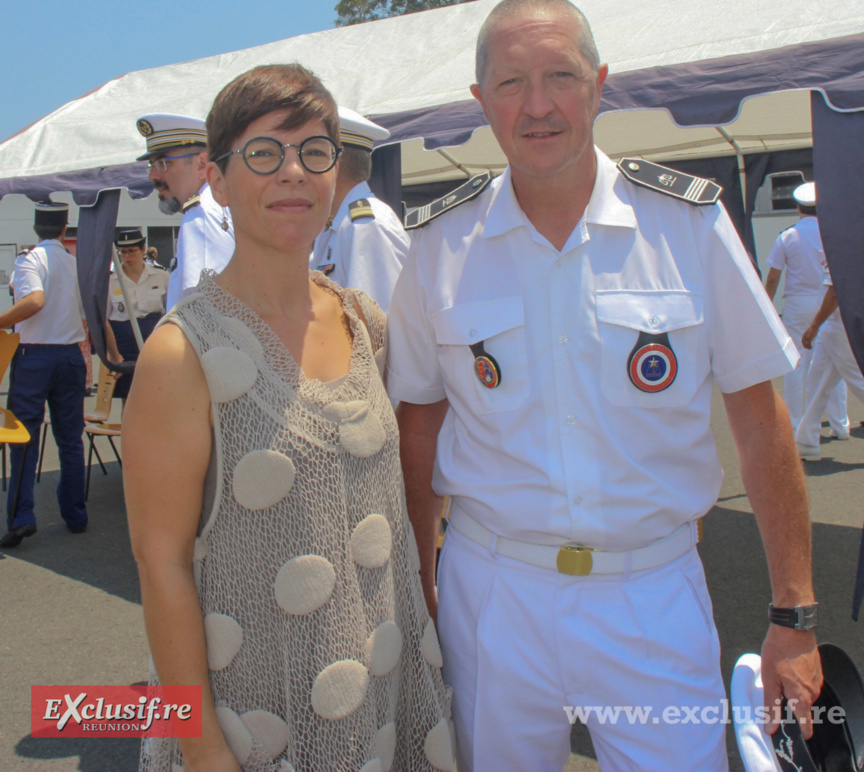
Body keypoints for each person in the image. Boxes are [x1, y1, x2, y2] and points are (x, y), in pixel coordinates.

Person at [386, 1, 821, 770]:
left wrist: (794, 612)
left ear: (601, 86)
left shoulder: (687, 225)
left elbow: (760, 420)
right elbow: (418, 423)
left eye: (561, 76)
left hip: (648, 596)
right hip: (493, 594)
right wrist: (420, 581)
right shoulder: (440, 245)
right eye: (512, 82)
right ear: (481, 99)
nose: (539, 103)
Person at [124, 64, 453, 772]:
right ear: (216, 177)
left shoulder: (366, 324)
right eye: (265, 153)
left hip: (384, 696)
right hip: (256, 716)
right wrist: (203, 747)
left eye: (315, 152)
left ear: (338, 172)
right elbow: (161, 564)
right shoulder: (183, 352)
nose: (294, 173)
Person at [0, 203, 88, 548]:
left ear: (37, 229)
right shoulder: (74, 263)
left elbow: (34, 301)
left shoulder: (29, 259)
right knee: (70, 439)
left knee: (24, 438)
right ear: (65, 228)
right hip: (70, 355)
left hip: (35, 355)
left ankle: (22, 516)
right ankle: (76, 514)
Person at [764, 182, 848, 437]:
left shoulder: (787, 236)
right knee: (835, 361)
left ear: (798, 206)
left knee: (797, 363)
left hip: (799, 303)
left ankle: (797, 423)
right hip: (830, 300)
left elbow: (773, 278)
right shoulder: (834, 233)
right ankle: (840, 424)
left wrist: (766, 308)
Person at [310, 106, 409, 311]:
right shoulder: (337, 224)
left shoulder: (365, 225)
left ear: (334, 163)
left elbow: (376, 329)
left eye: (311, 154)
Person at [135, 113, 235, 311]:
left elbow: (205, 309)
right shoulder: (219, 206)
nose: (152, 176)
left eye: (163, 163)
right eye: (151, 165)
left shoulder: (200, 216)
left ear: (201, 165)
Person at [794, 258, 864, 460]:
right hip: (835, 326)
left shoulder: (840, 248)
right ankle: (807, 441)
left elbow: (834, 294)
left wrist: (814, 326)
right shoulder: (839, 244)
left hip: (839, 325)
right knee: (819, 382)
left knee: (857, 381)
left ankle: (806, 440)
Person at [104, 229, 169, 400]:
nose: (127, 256)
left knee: (157, 392)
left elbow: (173, 309)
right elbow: (104, 320)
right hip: (124, 342)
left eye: (132, 251)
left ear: (142, 250)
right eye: (123, 252)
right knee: (129, 396)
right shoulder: (111, 282)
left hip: (153, 338)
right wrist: (113, 352)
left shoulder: (160, 276)